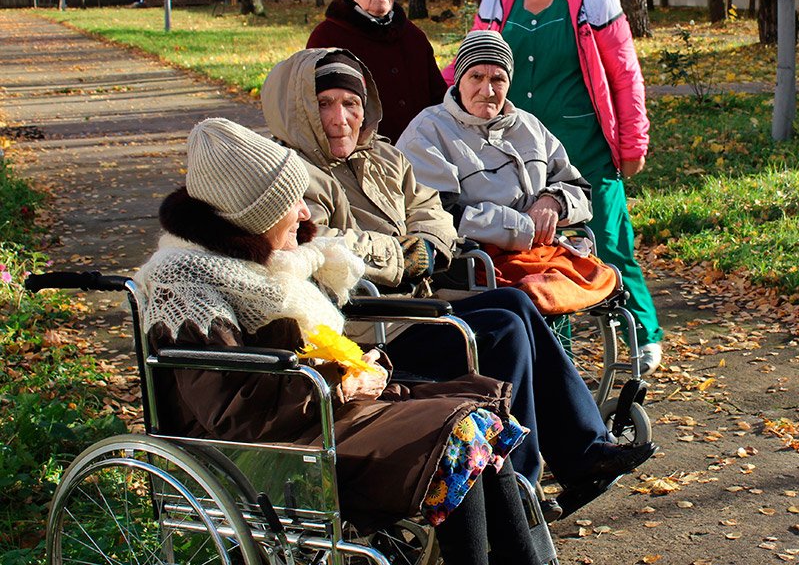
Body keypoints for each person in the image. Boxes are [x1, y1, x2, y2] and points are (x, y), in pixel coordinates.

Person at [261, 48, 657, 519]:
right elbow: (329, 248)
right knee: (502, 332)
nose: (341, 118)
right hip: (363, 329)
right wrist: (404, 254)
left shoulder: (385, 158)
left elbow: (434, 219)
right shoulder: (290, 174)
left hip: (413, 305)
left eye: (352, 103)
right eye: (326, 103)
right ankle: (521, 486)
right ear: (301, 108)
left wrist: (424, 246)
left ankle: (584, 451)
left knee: (513, 303)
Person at [134, 117, 540, 565]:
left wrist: (360, 364)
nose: (306, 213)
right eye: (292, 203)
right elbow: (236, 414)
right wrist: (341, 382)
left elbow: (309, 353)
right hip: (265, 453)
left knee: (483, 423)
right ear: (255, 215)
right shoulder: (186, 285)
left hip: (314, 420)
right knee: (462, 435)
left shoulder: (263, 264)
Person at [453, 0, 663, 374]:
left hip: (583, 143)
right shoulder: (498, 0)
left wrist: (633, 144)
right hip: (517, 150)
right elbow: (469, 65)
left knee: (608, 238)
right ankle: (558, 348)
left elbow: (625, 75)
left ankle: (643, 333)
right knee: (537, 247)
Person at [400, 32, 616, 312]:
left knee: (598, 277)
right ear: (459, 80)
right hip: (476, 261)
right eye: (476, 77)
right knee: (539, 292)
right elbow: (441, 216)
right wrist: (524, 226)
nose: (487, 90)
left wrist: (554, 201)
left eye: (497, 79)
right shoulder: (427, 132)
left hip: (542, 252)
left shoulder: (529, 126)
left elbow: (580, 190)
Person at [307, 0, 445, 141]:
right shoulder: (327, 38)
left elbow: (438, 100)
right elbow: (312, 110)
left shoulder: (414, 37)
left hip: (420, 156)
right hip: (357, 160)